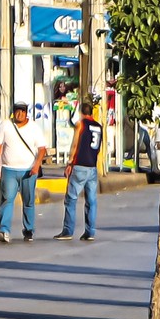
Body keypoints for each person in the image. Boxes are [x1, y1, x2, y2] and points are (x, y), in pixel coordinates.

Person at [0, 102, 46, 243]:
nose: (19, 114)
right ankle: (4, 230)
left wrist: (36, 165)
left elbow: (41, 149)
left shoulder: (34, 127)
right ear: (13, 112)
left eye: (22, 111)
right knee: (7, 199)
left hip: (28, 171)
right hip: (9, 170)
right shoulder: (6, 125)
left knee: (28, 202)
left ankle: (28, 230)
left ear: (26, 113)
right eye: (17, 111)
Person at [58, 101, 104, 242]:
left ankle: (68, 230)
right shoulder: (99, 126)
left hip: (80, 165)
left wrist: (70, 162)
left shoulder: (81, 124)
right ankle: (90, 232)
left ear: (81, 112)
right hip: (92, 167)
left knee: (71, 199)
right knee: (91, 201)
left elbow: (75, 144)